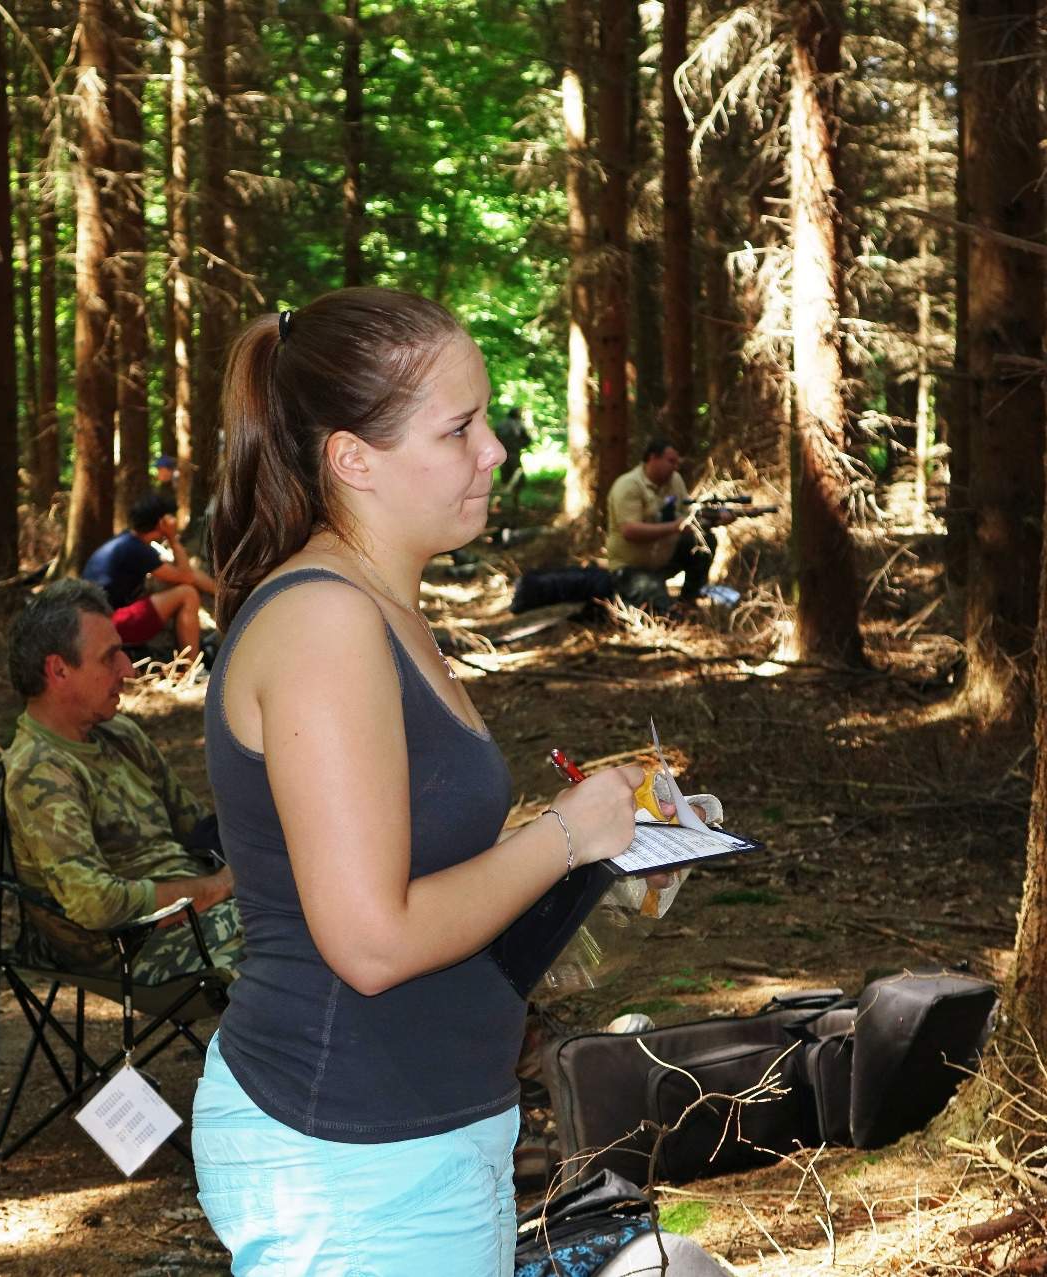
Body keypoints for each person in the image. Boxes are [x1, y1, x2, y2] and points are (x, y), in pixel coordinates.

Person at [193, 287, 644, 1274]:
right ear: (353, 458)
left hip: (416, 1128)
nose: (494, 449)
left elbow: (426, 877)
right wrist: (563, 835)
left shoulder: (385, 609)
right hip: (351, 1154)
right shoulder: (323, 621)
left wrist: (610, 849)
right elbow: (371, 939)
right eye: (458, 428)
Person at [1, 579, 243, 984]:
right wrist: (215, 888)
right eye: (109, 657)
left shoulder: (119, 734)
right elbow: (95, 904)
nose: (128, 670)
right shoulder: (38, 771)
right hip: (131, 947)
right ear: (59, 670)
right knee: (290, 947)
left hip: (199, 916)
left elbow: (196, 826)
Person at [81, 492, 219, 660]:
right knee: (187, 593)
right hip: (110, 624)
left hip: (95, 621)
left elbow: (184, 573)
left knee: (178, 581)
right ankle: (192, 664)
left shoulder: (128, 541)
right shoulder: (138, 549)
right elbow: (187, 576)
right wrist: (172, 538)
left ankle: (223, 593)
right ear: (162, 522)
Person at [603, 437, 725, 610]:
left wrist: (714, 519)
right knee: (661, 610)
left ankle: (690, 599)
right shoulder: (628, 485)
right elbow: (630, 531)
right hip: (630, 568)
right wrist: (675, 527)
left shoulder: (675, 480)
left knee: (705, 541)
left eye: (677, 463)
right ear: (653, 458)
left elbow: (687, 516)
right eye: (671, 461)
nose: (675, 467)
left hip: (663, 561)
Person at [492, 409, 530, 515]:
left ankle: (498, 504)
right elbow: (527, 440)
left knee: (504, 480)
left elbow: (495, 439)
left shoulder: (500, 425)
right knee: (517, 479)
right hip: (514, 456)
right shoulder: (518, 425)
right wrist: (518, 445)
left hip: (502, 456)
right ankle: (516, 504)